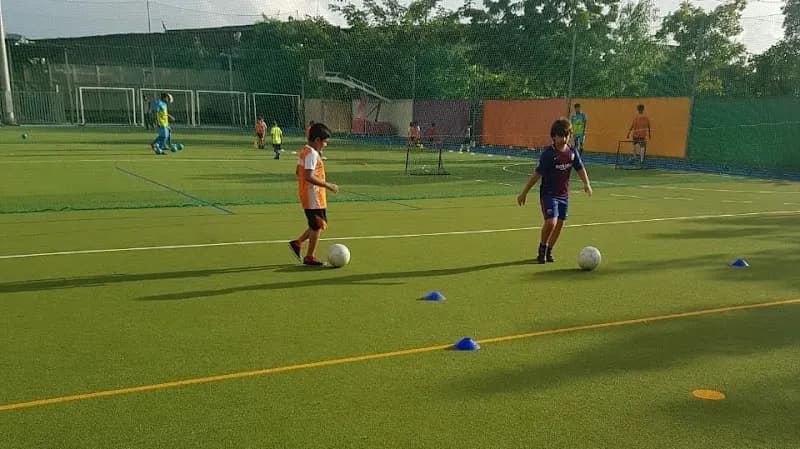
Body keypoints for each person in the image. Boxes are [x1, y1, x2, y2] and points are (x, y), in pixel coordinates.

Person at [517, 118, 592, 264]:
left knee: (560, 224)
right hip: (548, 194)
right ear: (553, 136)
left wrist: (587, 184)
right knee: (551, 222)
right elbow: (536, 175)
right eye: (560, 136)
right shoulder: (548, 154)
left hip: (564, 195)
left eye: (566, 136)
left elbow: (580, 168)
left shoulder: (572, 152)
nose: (563, 139)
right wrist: (524, 192)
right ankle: (542, 248)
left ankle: (549, 250)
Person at [288, 123, 339, 266]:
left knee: (317, 224)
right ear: (317, 140)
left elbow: (298, 172)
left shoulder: (305, 151)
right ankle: (310, 256)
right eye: (325, 142)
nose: (325, 145)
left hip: (310, 195)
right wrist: (328, 185)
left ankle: (297, 243)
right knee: (317, 226)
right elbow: (308, 176)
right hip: (313, 197)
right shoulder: (311, 154)